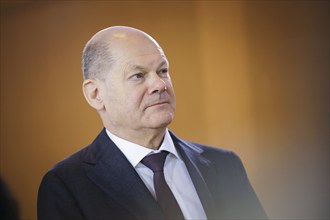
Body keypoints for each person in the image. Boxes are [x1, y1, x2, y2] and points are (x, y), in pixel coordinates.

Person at [38, 26, 267, 220]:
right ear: (96, 94)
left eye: (163, 70)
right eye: (138, 75)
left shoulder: (224, 166)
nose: (160, 84)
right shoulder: (66, 186)